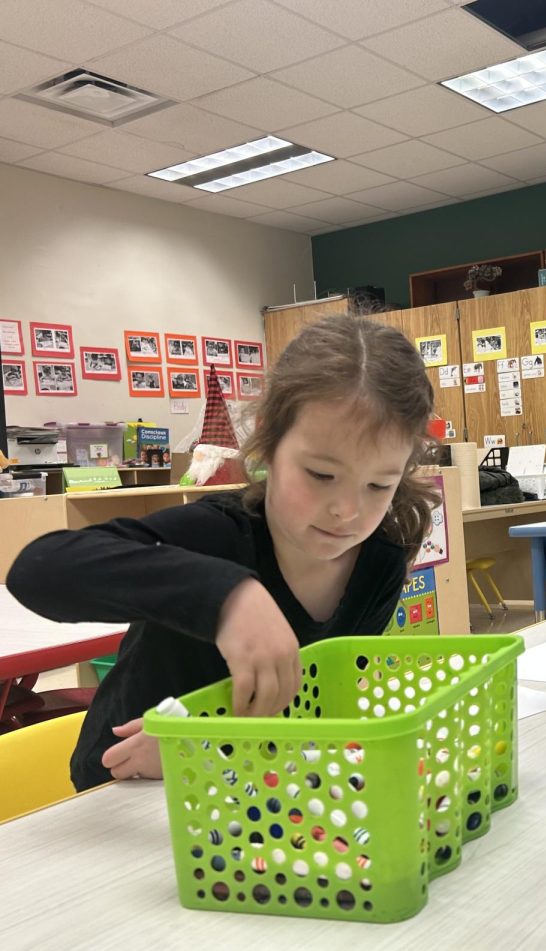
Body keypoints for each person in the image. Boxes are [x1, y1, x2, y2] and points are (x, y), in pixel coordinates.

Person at [9, 316, 439, 791]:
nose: (346, 512)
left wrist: (210, 749)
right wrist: (226, 596)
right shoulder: (214, 533)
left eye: (380, 484)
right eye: (320, 474)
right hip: (128, 790)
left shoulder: (379, 559)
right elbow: (38, 570)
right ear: (269, 444)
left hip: (256, 782)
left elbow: (317, 705)